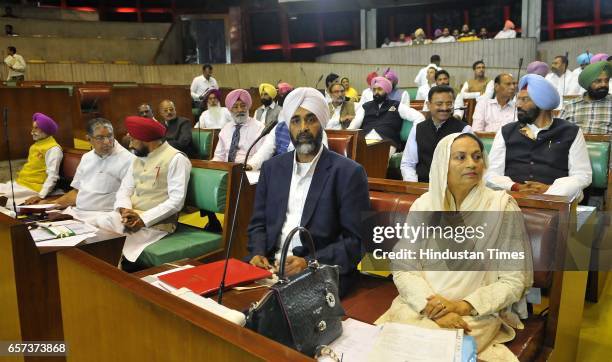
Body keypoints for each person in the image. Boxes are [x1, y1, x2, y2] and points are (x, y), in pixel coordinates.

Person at [378, 132, 533, 361]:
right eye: (461, 157)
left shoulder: (501, 207)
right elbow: (404, 268)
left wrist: (462, 306)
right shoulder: (424, 205)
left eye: (477, 157)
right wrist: (431, 308)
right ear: (443, 165)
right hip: (419, 306)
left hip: (475, 314)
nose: (472, 163)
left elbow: (513, 280)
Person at [247, 87, 370, 297]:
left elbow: (356, 242)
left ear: (321, 123)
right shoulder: (272, 169)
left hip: (317, 274)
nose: (303, 128)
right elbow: (258, 223)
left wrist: (308, 262)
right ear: (288, 126)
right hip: (268, 270)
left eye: (310, 119)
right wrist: (258, 252)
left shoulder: (348, 173)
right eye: (295, 120)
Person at [92, 116, 191, 270]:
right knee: (97, 224)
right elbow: (125, 190)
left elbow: (176, 201)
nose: (130, 144)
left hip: (157, 223)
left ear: (147, 140)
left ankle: (115, 275)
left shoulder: (176, 159)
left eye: (133, 140)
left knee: (110, 235)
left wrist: (143, 219)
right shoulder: (137, 159)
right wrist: (125, 210)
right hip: (132, 217)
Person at [486, 74, 592, 202]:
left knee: (574, 188)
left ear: (541, 103)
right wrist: (516, 187)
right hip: (513, 198)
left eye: (525, 99)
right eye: (518, 99)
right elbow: (491, 174)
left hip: (556, 198)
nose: (518, 105)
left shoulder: (571, 132)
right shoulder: (506, 131)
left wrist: (549, 189)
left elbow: (582, 175)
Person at [55, 118, 135, 223]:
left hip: (105, 216)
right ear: (88, 139)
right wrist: (51, 204)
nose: (107, 142)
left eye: (110, 136)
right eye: (100, 138)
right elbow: (77, 191)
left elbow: (127, 195)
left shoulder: (128, 159)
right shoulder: (86, 157)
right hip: (77, 213)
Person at [401, 85, 471, 182]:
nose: (445, 108)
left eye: (449, 104)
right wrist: (414, 186)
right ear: (428, 105)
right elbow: (408, 164)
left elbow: (470, 164)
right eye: (439, 104)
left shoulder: (464, 130)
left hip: (453, 188)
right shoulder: (418, 129)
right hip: (422, 186)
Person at [350, 77, 425, 155]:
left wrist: (413, 136)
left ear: (386, 90)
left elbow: (419, 117)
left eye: (379, 89)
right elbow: (355, 123)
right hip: (365, 140)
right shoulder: (365, 106)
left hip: (388, 141)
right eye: (374, 90)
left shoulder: (396, 105)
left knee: (376, 161)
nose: (376, 92)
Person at [0, 113, 62, 207]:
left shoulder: (53, 149)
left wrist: (41, 196)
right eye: (33, 128)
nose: (32, 132)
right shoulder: (36, 145)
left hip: (33, 188)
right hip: (20, 183)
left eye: (36, 128)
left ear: (46, 130)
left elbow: (53, 176)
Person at [212, 89, 265, 163]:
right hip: (227, 170)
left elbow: (261, 155)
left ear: (248, 107)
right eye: (235, 107)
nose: (240, 110)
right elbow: (219, 156)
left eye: (243, 106)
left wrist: (249, 166)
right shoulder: (225, 128)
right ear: (230, 110)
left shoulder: (259, 127)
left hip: (249, 169)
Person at [560, 61, 611, 135]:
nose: (604, 84)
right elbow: (557, 132)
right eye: (598, 81)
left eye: (606, 81)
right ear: (588, 84)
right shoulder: (570, 106)